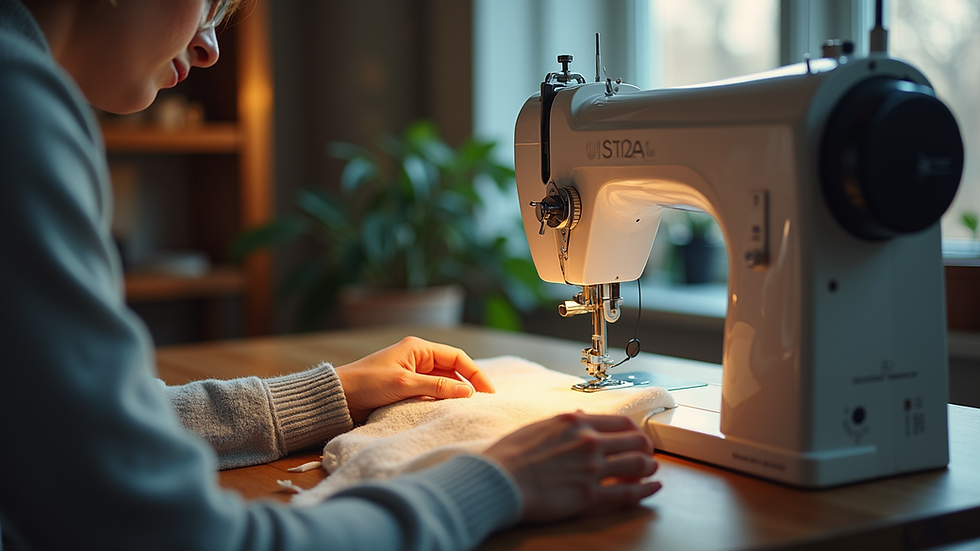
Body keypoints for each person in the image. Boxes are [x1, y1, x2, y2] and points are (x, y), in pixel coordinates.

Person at [0, 0, 662, 549]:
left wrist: (329, 394)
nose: (210, 50)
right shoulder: (19, 109)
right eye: (212, 5)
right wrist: (495, 479)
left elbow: (53, 434)